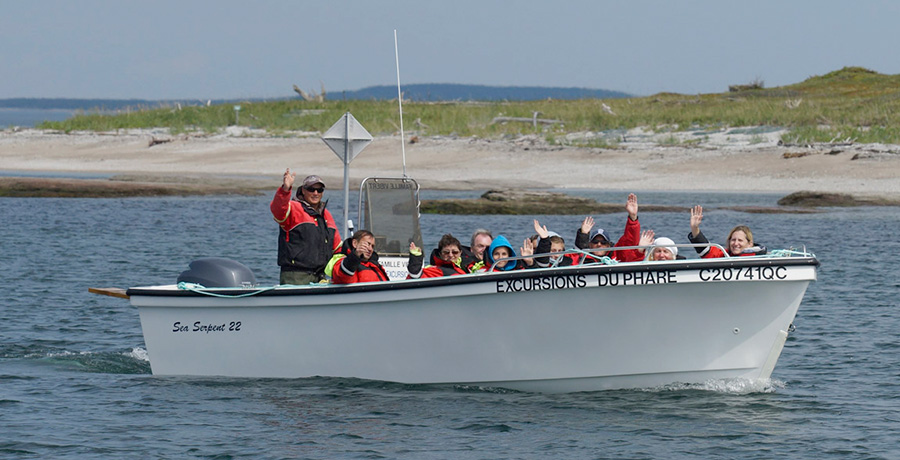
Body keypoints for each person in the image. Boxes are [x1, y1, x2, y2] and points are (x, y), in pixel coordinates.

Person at [270, 169, 341, 284]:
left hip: (320, 276)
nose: (315, 193)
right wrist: (285, 189)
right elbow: (277, 209)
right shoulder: (293, 208)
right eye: (311, 189)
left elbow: (337, 247)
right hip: (295, 276)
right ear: (303, 191)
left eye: (319, 190)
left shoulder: (326, 215)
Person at [574, 193, 642, 263]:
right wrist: (583, 234)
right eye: (595, 242)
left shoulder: (616, 256)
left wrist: (633, 217)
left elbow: (629, 240)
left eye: (603, 242)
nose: (599, 245)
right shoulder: (583, 258)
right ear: (590, 245)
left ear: (608, 246)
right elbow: (578, 252)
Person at [687, 205, 767, 258]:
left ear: (750, 244)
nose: (736, 243)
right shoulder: (725, 255)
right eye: (733, 240)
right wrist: (694, 227)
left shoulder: (758, 257)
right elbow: (707, 250)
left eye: (740, 240)